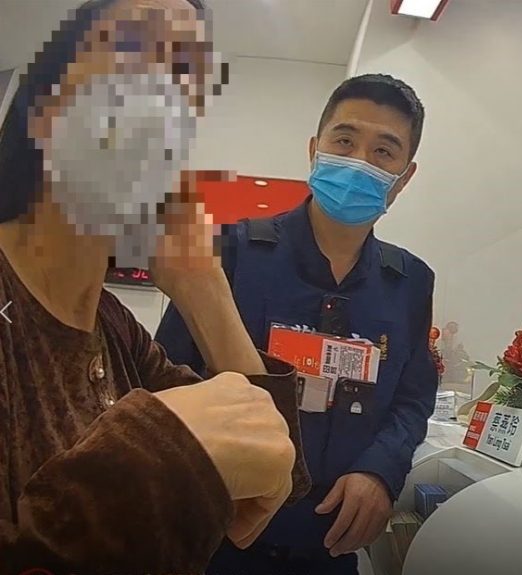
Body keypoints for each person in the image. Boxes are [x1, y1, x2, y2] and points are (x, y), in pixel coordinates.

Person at [0, 1, 309, 573]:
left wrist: (203, 284)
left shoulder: (116, 328)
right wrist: (160, 452)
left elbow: (266, 485)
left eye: (184, 84)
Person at [156, 73, 438, 574]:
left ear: (404, 177)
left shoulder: (410, 282)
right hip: (214, 540)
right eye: (344, 141)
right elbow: (166, 376)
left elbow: (413, 399)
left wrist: (381, 471)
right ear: (315, 149)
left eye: (383, 151)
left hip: (329, 545)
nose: (359, 162)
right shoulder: (229, 252)